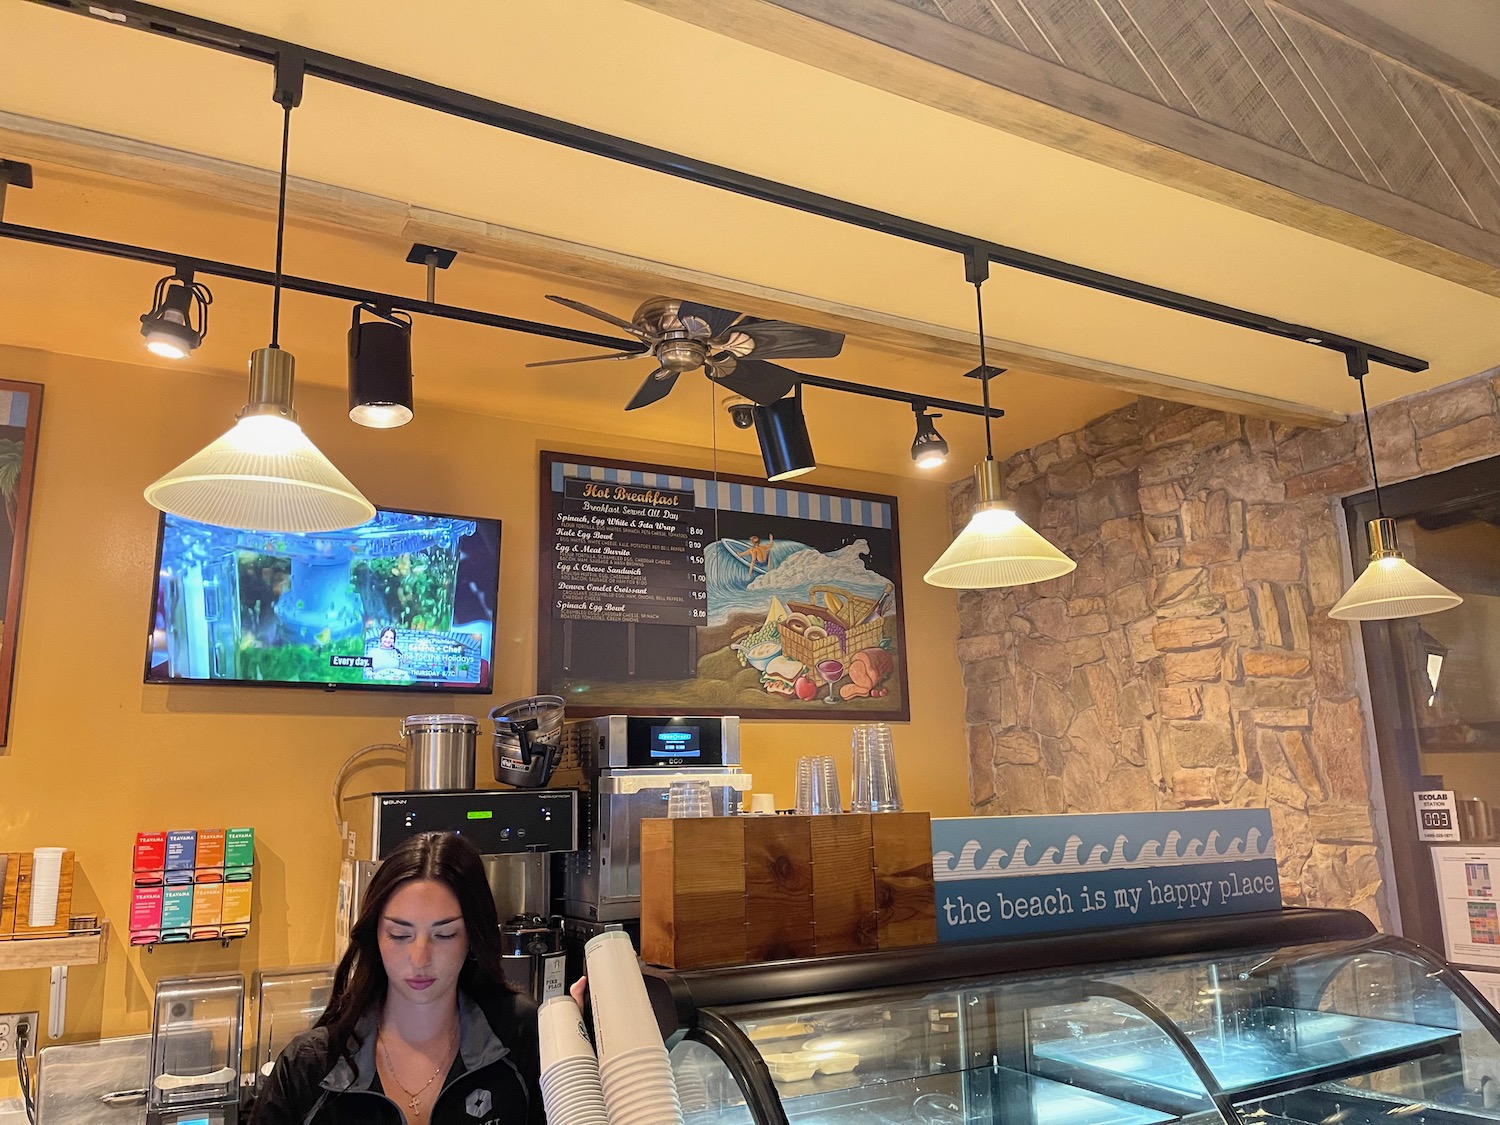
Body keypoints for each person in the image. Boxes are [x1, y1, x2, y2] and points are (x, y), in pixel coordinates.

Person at [250, 832, 544, 1124]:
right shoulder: (308, 1067)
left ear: (472, 937)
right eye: (400, 935)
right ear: (375, 935)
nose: (419, 959)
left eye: (444, 935)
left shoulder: (523, 1037)